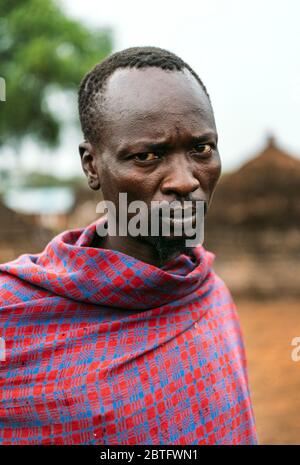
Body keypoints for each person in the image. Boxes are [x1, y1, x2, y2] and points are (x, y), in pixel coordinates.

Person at [0, 46, 257, 445]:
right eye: (146, 156)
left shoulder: (209, 293)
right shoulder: (14, 318)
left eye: (201, 149)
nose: (185, 181)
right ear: (92, 165)